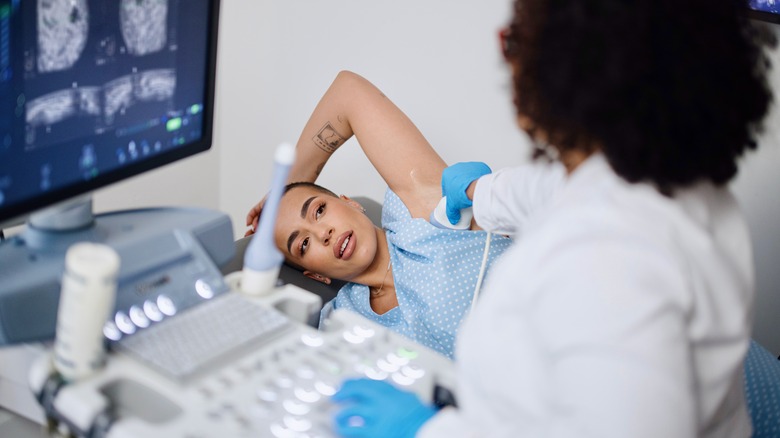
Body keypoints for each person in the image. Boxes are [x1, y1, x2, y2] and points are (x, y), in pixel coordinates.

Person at [329, 1, 776, 437]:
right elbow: (552, 190)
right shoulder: (668, 179)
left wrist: (429, 430)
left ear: (568, 74)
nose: (507, 56)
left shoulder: (611, 261)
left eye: (516, 41)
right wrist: (476, 194)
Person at [244, 71, 513, 359]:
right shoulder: (343, 322)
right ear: (316, 275)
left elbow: (347, 92)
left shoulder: (418, 213)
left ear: (350, 203)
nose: (323, 234)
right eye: (304, 245)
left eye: (319, 210)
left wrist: (285, 186)